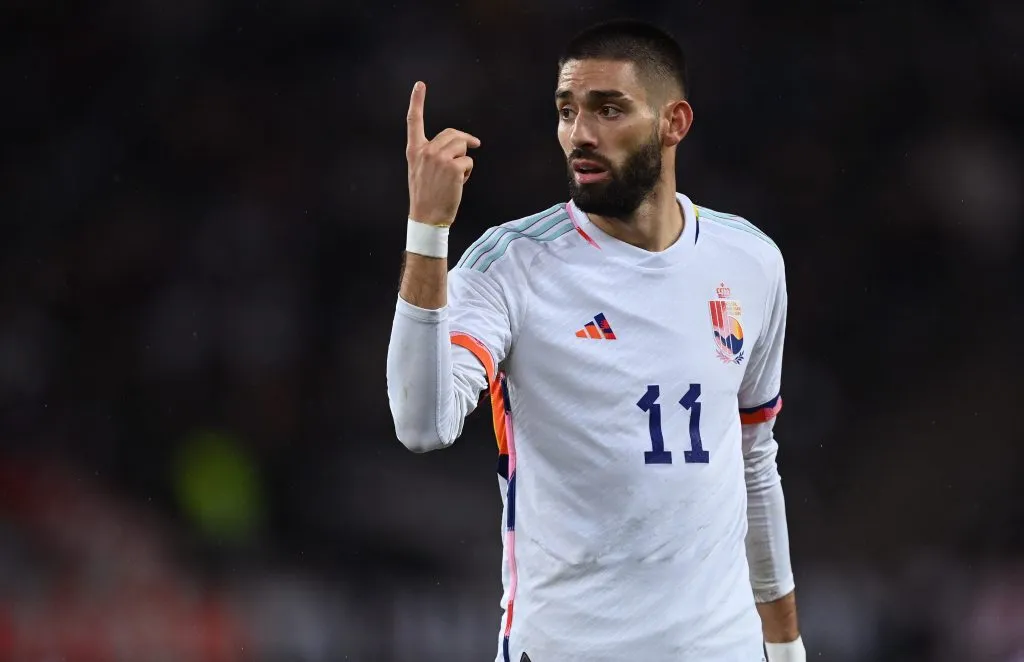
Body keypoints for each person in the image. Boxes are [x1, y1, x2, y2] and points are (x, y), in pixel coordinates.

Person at [386, 19, 805, 662]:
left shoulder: (750, 261)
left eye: (609, 109)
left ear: (674, 123)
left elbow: (754, 460)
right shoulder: (511, 266)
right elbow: (422, 422)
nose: (580, 134)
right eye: (566, 110)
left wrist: (786, 646)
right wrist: (426, 231)